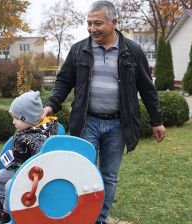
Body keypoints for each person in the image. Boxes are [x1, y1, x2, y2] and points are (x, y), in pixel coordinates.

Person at [42, 1, 166, 223]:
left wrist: (156, 121)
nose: (92, 29)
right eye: (89, 23)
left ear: (114, 23)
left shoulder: (133, 52)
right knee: (80, 172)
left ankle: (98, 219)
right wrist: (51, 104)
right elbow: (63, 81)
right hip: (86, 122)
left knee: (108, 176)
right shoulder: (79, 50)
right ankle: (78, 216)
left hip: (118, 125)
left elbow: (147, 88)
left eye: (97, 23)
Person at [0, 91, 58, 223]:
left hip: (34, 175)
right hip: (21, 169)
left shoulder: (38, 138)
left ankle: (9, 215)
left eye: (16, 118)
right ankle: (3, 207)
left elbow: (40, 162)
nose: (13, 122)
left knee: (10, 185)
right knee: (2, 176)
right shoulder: (26, 130)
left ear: (28, 119)